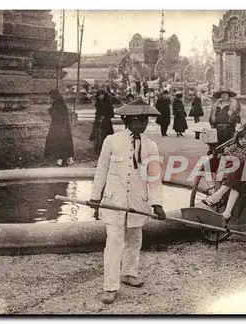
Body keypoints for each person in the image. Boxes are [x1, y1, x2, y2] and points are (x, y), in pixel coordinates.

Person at [89, 99, 167, 304]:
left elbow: (154, 177)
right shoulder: (112, 141)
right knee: (113, 243)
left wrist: (157, 203)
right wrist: (95, 198)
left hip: (137, 203)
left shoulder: (151, 146)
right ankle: (110, 286)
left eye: (145, 120)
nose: (142, 124)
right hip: (114, 201)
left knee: (134, 239)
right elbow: (101, 171)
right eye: (137, 120)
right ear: (127, 120)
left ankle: (129, 273)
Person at [200, 125, 246, 222]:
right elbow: (225, 154)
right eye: (241, 139)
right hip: (235, 175)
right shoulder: (235, 148)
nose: (243, 141)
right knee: (235, 180)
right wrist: (225, 153)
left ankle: (218, 195)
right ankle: (227, 212)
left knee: (240, 166)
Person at [44, 89, 74, 166]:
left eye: (51, 96)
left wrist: (50, 111)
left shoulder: (58, 103)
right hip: (62, 126)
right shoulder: (60, 103)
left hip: (59, 126)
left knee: (59, 141)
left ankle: (61, 159)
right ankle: (66, 159)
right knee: (62, 141)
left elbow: (57, 115)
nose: (50, 98)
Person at [89, 89, 115, 154]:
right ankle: (98, 149)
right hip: (98, 121)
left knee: (105, 135)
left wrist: (105, 117)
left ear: (104, 95)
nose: (100, 96)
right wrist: (98, 118)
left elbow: (111, 114)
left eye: (101, 95)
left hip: (106, 122)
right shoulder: (98, 103)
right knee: (97, 134)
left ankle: (106, 149)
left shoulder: (108, 103)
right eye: (99, 95)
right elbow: (97, 113)